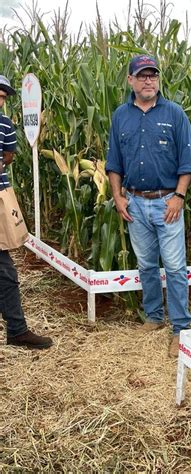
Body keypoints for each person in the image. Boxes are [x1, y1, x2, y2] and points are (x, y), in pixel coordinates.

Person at [106, 55, 191, 358]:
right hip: (134, 203)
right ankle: (155, 317)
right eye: (142, 75)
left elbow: (188, 162)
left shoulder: (174, 114)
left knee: (173, 267)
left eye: (153, 75)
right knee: (146, 265)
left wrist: (179, 196)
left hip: (167, 202)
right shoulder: (121, 116)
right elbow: (114, 162)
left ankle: (181, 328)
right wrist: (118, 197)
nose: (149, 80)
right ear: (130, 80)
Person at [0, 74, 53, 350]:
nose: (0, 100)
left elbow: (8, 155)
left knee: (6, 270)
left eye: (3, 97)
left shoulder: (5, 124)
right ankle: (17, 329)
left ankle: (17, 330)